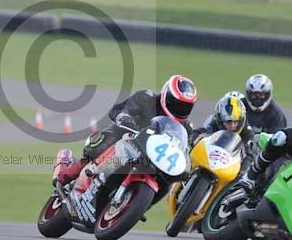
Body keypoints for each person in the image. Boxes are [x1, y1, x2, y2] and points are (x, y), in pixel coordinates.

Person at [53, 75, 198, 185]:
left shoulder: (185, 128)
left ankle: (133, 205)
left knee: (167, 183)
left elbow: (186, 151)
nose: (179, 109)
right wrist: (125, 117)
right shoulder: (146, 98)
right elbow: (121, 109)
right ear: (166, 95)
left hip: (152, 160)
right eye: (176, 103)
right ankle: (69, 171)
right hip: (126, 138)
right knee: (105, 141)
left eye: (185, 106)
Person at [192, 92, 257, 173]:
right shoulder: (214, 122)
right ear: (220, 120)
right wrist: (191, 141)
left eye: (235, 121)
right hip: (211, 157)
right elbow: (200, 132)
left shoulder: (247, 131)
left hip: (231, 166)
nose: (232, 125)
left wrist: (241, 173)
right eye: (228, 122)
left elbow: (250, 155)